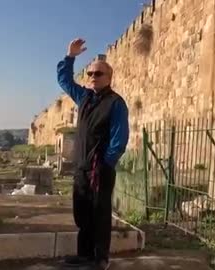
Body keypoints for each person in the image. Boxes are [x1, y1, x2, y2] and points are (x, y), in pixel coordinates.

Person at [57, 38, 129, 270]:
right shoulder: (85, 97)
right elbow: (65, 81)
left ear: (108, 77)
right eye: (90, 73)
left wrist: (106, 164)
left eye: (98, 73)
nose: (92, 77)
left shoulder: (116, 103)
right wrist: (70, 56)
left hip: (101, 169)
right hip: (81, 168)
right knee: (82, 213)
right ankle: (85, 255)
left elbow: (119, 138)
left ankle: (100, 259)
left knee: (100, 214)